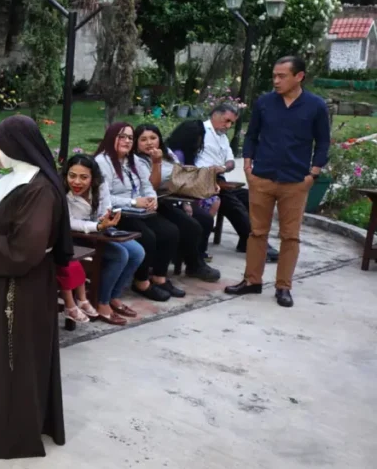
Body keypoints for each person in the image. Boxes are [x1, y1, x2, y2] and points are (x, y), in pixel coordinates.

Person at [0, 115, 68, 459]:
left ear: (16, 147)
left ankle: (9, 433)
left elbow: (27, 248)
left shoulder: (40, 189)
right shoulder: (4, 183)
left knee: (13, 356)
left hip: (24, 285)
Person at [226, 55, 331, 307]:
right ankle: (252, 281)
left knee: (290, 236)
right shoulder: (264, 103)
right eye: (274, 75)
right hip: (262, 178)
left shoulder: (315, 106)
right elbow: (251, 135)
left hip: (296, 181)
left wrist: (313, 174)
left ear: (299, 76)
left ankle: (283, 287)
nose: (276, 80)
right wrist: (249, 167)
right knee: (256, 232)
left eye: (282, 76)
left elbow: (323, 142)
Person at [172, 105, 279, 262]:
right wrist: (210, 171)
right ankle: (258, 245)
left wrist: (222, 167)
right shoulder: (199, 130)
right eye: (226, 121)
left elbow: (231, 162)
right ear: (215, 115)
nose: (228, 126)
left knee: (251, 197)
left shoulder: (222, 137)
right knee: (231, 202)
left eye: (232, 123)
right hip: (201, 179)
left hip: (219, 178)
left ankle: (245, 241)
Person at [95, 122, 185, 301]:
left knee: (170, 231)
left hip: (138, 210)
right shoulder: (102, 162)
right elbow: (103, 198)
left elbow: (147, 185)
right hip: (117, 213)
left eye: (130, 137)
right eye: (122, 137)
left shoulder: (132, 160)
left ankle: (159, 278)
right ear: (111, 138)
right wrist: (135, 202)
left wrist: (153, 200)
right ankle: (141, 282)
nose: (127, 141)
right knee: (147, 237)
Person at [65, 154, 146, 326]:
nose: (77, 182)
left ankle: (113, 297)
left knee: (138, 252)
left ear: (92, 177)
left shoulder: (100, 186)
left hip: (101, 231)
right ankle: (102, 302)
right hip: (78, 236)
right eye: (72, 176)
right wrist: (97, 227)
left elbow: (106, 207)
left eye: (83, 177)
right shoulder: (62, 192)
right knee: (119, 255)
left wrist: (105, 220)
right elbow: (69, 222)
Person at [134, 124, 221, 282]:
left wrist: (207, 183)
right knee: (185, 226)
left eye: (153, 138)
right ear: (136, 143)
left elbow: (182, 175)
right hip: (153, 203)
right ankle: (190, 264)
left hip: (174, 198)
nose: (149, 143)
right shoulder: (137, 160)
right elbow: (151, 187)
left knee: (203, 220)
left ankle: (196, 262)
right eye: (143, 139)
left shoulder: (167, 153)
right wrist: (156, 163)